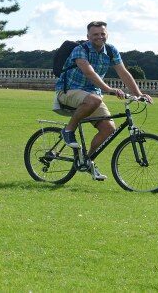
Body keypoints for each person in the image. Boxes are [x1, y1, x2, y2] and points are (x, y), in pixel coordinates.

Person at [55, 21, 152, 180]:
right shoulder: (80, 50)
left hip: (92, 95)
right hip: (68, 91)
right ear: (88, 37)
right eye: (95, 34)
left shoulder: (112, 51)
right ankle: (68, 130)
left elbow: (124, 73)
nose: (100, 37)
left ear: (107, 34)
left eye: (102, 34)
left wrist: (138, 94)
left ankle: (86, 161)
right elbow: (89, 72)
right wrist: (109, 89)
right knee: (95, 99)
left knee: (108, 128)